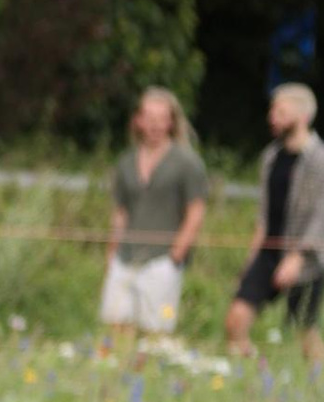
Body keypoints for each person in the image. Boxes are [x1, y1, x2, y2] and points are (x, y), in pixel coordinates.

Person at [97, 85, 208, 350]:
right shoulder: (126, 162)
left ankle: (147, 381)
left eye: (161, 118)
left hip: (162, 257)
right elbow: (121, 211)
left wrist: (176, 255)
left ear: (171, 122)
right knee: (116, 324)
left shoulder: (186, 162)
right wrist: (112, 251)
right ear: (138, 120)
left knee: (154, 333)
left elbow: (196, 210)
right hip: (126, 255)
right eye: (149, 117)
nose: (155, 125)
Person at [224, 79, 324, 363]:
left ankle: (318, 381)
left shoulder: (320, 159)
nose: (272, 117)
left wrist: (296, 257)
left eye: (280, 111)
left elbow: (321, 214)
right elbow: (265, 214)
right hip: (269, 251)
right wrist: (252, 257)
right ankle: (251, 376)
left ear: (302, 116)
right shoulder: (270, 157)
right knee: (236, 319)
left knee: (304, 330)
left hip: (307, 258)